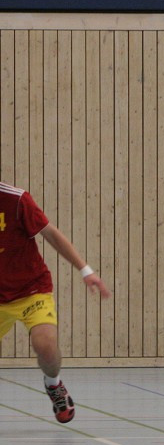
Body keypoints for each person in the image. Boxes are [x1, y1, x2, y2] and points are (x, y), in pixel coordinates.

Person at [1, 181, 110, 423]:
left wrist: (85, 270)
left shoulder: (17, 200)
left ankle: (53, 384)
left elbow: (51, 234)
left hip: (30, 290)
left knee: (46, 347)